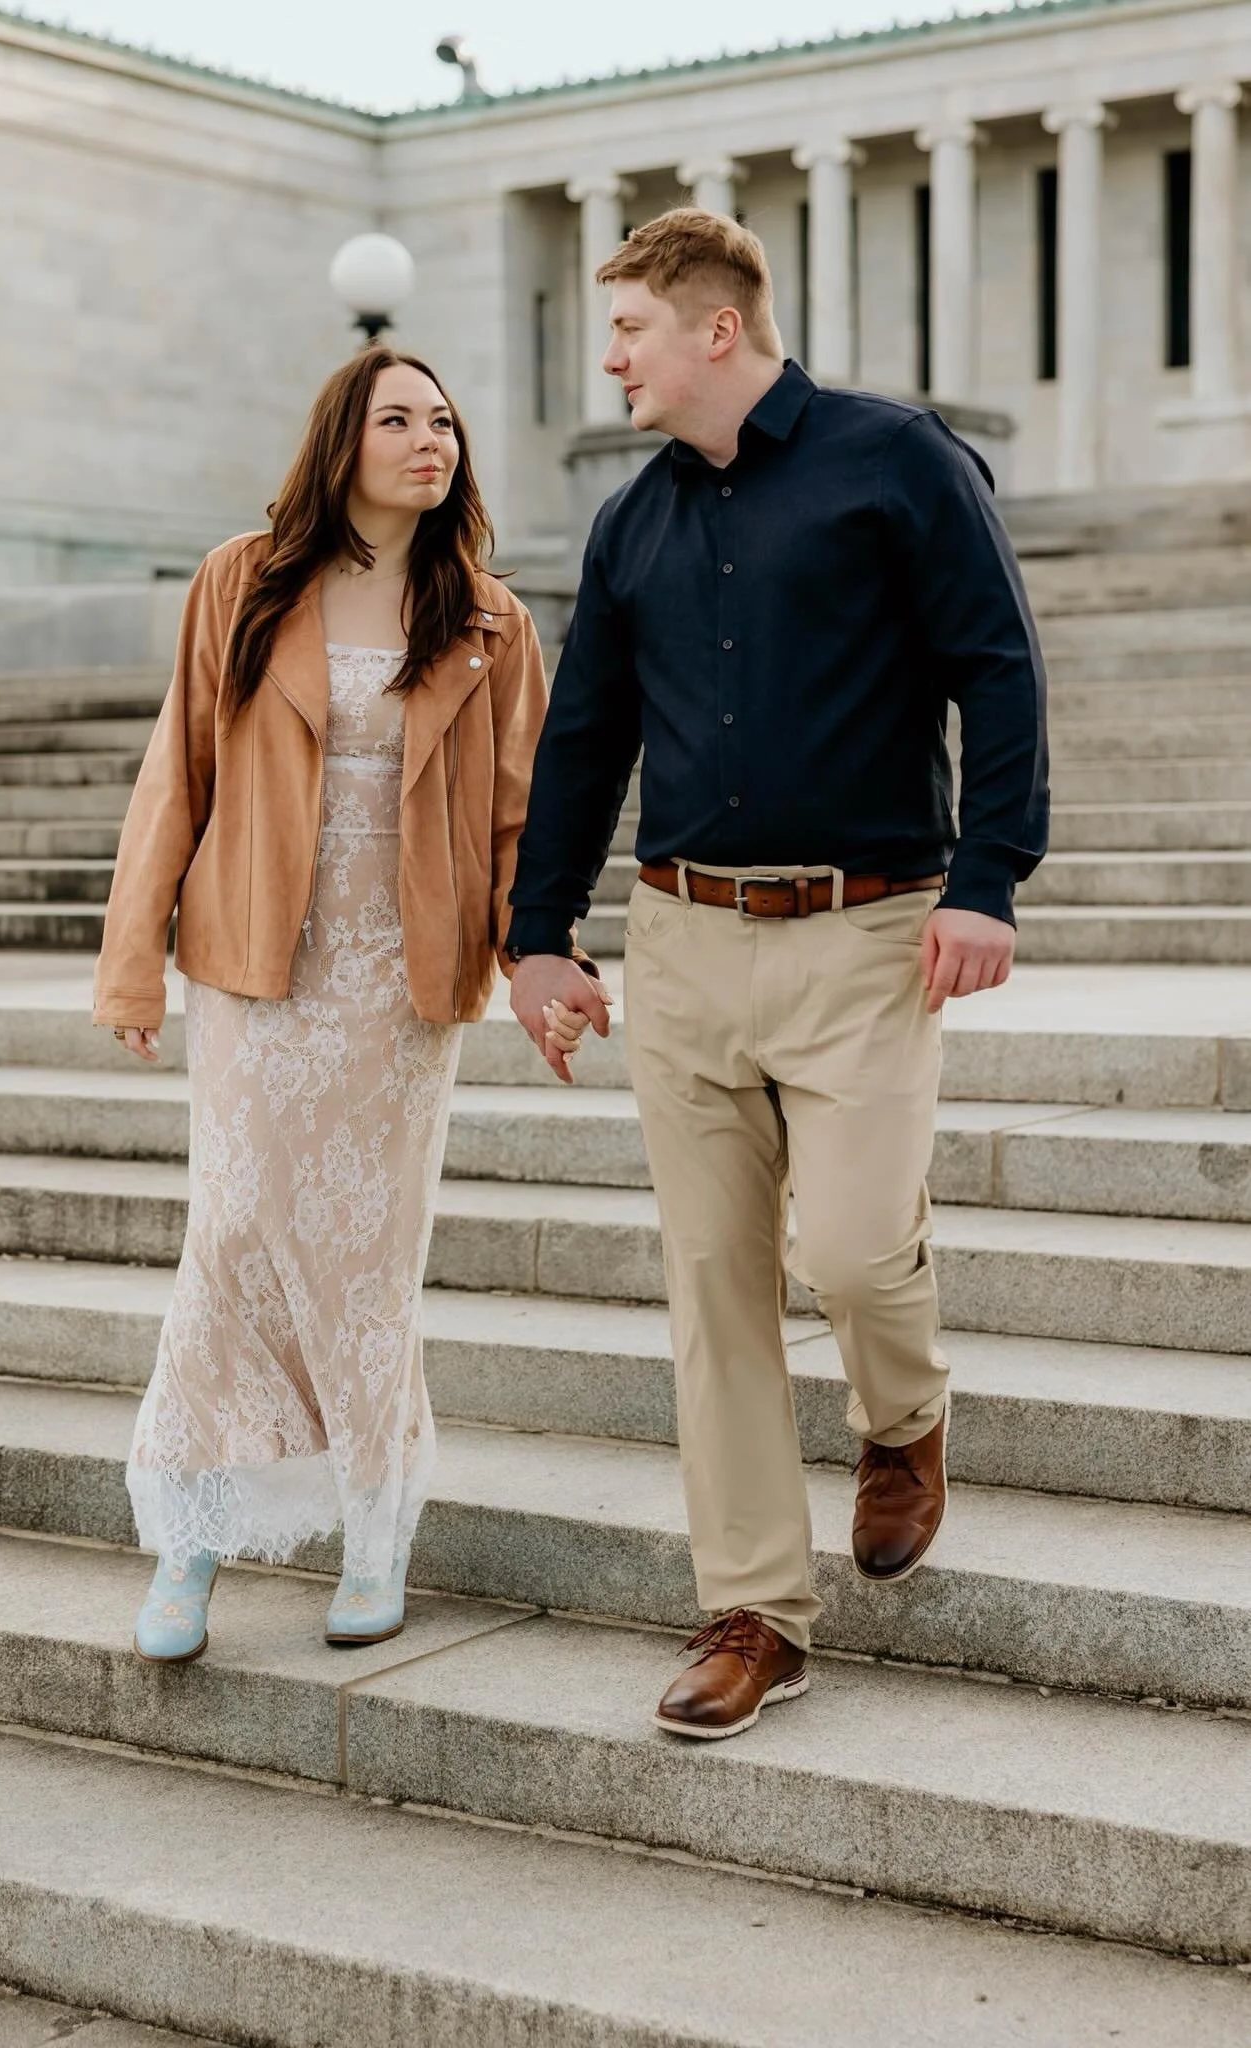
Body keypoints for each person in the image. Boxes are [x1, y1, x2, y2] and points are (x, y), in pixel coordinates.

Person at [506, 209, 1049, 1740]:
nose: (610, 359)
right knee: (712, 1285)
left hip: (868, 934)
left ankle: (904, 1415)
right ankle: (753, 1612)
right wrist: (538, 933)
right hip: (681, 943)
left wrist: (988, 881)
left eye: (627, 329)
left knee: (857, 1254)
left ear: (716, 330)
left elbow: (997, 669)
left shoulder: (896, 461)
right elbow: (583, 737)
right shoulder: (629, 524)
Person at [94, 346, 555, 1663]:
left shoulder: (489, 621)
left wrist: (540, 956)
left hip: (398, 985)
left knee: (367, 1258)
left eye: (444, 422)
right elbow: (176, 772)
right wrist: (132, 959)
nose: (429, 440)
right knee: (233, 1234)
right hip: (255, 966)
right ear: (340, 441)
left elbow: (521, 816)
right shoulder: (241, 581)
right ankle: (190, 1537)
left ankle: (374, 1532)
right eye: (397, 419)